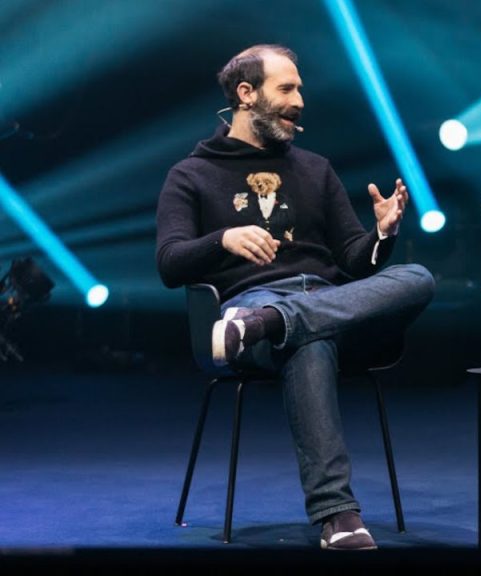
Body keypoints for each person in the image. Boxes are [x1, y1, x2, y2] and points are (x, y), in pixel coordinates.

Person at [156, 44, 435, 551]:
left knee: (417, 276)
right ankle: (338, 514)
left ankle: (277, 320)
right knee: (309, 340)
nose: (300, 100)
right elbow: (170, 263)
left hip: (312, 309)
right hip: (249, 307)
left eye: (300, 89)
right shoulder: (190, 175)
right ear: (246, 94)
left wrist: (382, 235)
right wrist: (222, 239)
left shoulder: (315, 168)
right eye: (286, 88)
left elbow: (354, 260)